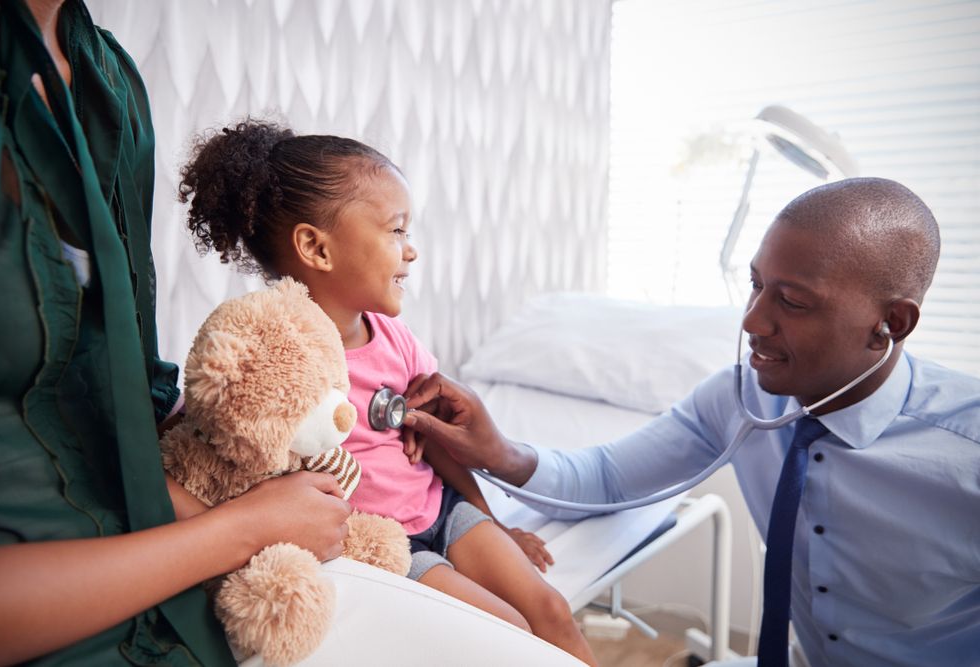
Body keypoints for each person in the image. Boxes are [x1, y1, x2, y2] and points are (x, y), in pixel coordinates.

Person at [401, 177, 980, 667]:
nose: (754, 320)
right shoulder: (740, 402)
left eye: (793, 302)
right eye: (756, 285)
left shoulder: (965, 450)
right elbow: (605, 479)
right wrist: (497, 450)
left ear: (892, 323)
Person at [0, 2, 353, 664]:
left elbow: (118, 386)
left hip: (160, 584)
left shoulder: (109, 79)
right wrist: (240, 528)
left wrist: (240, 478)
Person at [177, 119, 598, 665]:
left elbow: (440, 444)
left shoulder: (394, 338)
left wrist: (492, 524)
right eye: (396, 230)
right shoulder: (275, 357)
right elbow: (218, 424)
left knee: (552, 612)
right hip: (382, 544)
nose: (411, 251)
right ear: (316, 248)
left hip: (442, 510)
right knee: (512, 634)